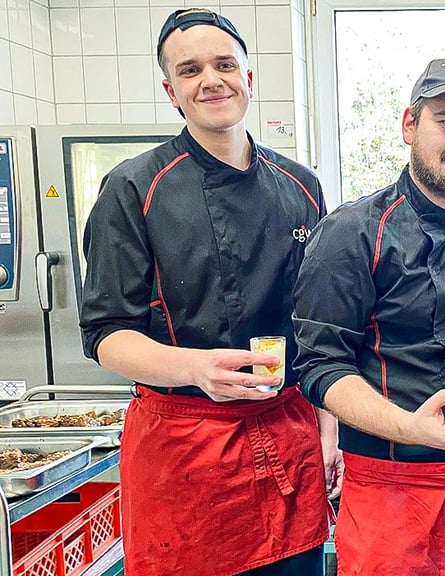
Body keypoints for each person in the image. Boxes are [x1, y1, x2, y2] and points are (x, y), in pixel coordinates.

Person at [79, 8, 337, 575]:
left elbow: (320, 328)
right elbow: (105, 334)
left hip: (288, 434)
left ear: (250, 77)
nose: (211, 79)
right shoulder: (133, 186)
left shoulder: (302, 187)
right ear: (172, 91)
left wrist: (328, 429)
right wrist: (196, 368)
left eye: (225, 64)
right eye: (191, 70)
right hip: (183, 449)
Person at [292, 56, 445, 575]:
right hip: (396, 491)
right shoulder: (351, 232)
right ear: (410, 125)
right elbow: (320, 367)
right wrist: (411, 427)